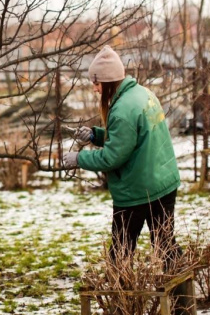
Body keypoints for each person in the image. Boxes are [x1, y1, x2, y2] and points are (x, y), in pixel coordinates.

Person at [63, 45, 182, 269]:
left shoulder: (122, 110)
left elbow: (111, 158)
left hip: (137, 191)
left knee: (120, 252)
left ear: (107, 82)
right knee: (165, 246)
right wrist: (96, 135)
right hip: (163, 183)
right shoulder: (142, 94)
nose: (95, 90)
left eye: (96, 84)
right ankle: (181, 299)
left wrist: (78, 160)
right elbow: (131, 139)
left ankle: (120, 300)